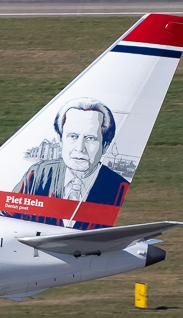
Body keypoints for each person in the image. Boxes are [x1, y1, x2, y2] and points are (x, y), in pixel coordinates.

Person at [8, 98, 129, 230]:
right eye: (73, 136)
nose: (80, 148)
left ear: (105, 145)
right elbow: (6, 217)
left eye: (90, 138)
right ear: (60, 140)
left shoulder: (119, 188)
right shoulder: (37, 175)